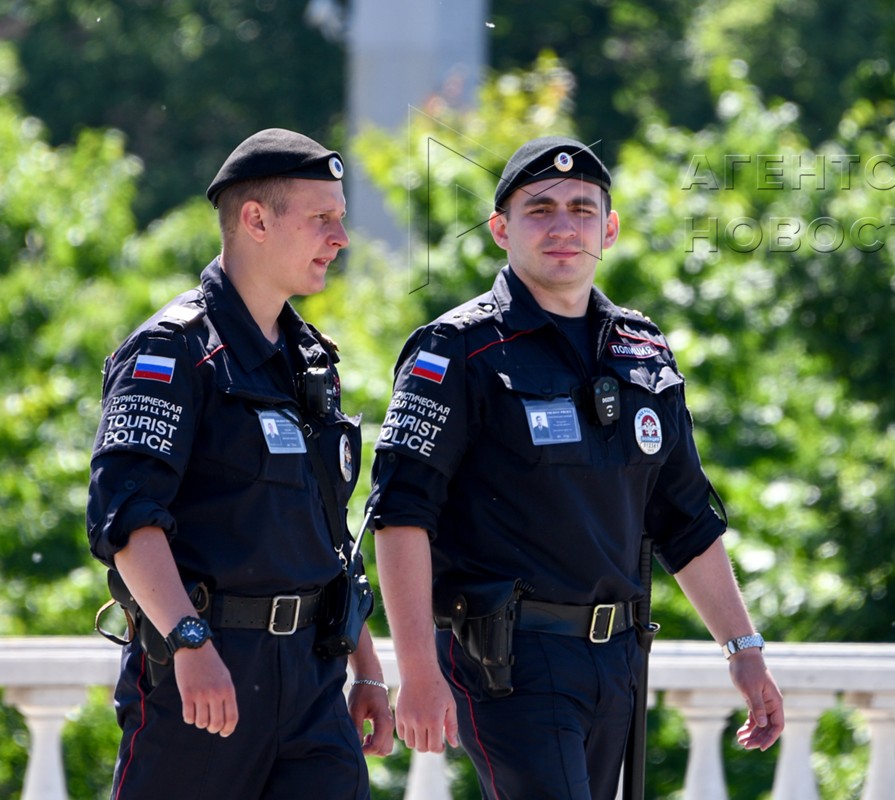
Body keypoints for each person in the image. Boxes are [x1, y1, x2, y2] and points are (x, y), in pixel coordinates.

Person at [371, 136, 783, 799]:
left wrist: (743, 648)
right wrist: (416, 669)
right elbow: (398, 514)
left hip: (615, 658)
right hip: (508, 660)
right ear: (501, 229)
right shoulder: (457, 351)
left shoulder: (641, 350)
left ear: (609, 229)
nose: (563, 226)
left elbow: (684, 518)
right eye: (539, 209)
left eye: (581, 209)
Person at [86, 129, 395, 799]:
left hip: (313, 682)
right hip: (208, 672)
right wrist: (189, 642)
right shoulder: (170, 351)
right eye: (322, 219)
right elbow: (128, 520)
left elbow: (328, 536)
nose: (340, 237)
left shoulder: (310, 359)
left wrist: (365, 666)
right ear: (255, 219)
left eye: (339, 218)